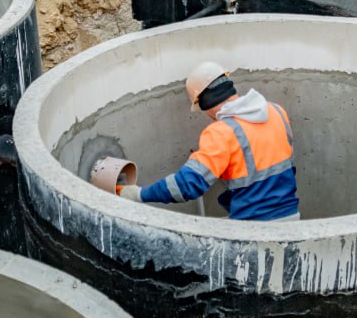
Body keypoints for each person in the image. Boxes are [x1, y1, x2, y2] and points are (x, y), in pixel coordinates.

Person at [120, 62, 300, 221]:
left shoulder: (221, 133)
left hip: (254, 229)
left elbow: (186, 185)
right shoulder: (276, 111)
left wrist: (140, 194)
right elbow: (277, 167)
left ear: (204, 103)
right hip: (291, 219)